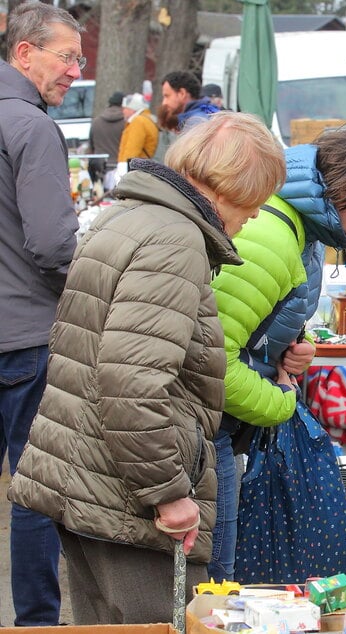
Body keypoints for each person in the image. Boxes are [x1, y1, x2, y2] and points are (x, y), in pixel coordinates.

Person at [7, 112, 286, 625]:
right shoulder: (174, 241)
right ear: (234, 189)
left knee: (106, 624)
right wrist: (170, 493)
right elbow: (131, 385)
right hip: (123, 493)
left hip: (89, 475)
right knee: (150, 622)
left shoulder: (128, 214)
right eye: (255, 204)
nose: (253, 218)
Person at [212, 125, 346, 582]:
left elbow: (253, 324)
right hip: (213, 428)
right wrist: (281, 402)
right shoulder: (271, 238)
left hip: (225, 425)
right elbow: (211, 361)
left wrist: (289, 346)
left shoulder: (300, 228)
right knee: (215, 583)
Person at [0, 3, 84, 626]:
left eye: (80, 59)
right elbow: (54, 244)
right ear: (24, 54)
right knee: (37, 489)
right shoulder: (31, 126)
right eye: (67, 56)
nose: (76, 72)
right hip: (25, 336)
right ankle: (35, 622)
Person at [88, 90, 126, 191]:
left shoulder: (96, 122)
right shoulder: (127, 123)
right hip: (121, 171)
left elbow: (91, 148)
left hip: (99, 171)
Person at [117, 92, 159, 164]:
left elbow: (132, 149)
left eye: (125, 108)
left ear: (132, 108)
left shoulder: (138, 121)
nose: (123, 111)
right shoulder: (147, 120)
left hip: (136, 169)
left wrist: (124, 166)